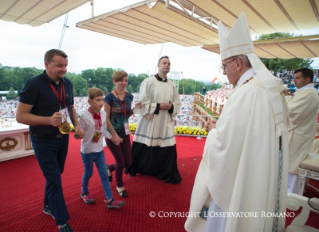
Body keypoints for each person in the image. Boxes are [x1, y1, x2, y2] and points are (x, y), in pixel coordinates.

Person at [185, 13, 290, 232]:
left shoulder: (246, 93)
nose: (224, 72)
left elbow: (225, 145)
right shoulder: (270, 89)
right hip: (262, 172)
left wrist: (214, 131)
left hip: (240, 182)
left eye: (224, 66)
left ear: (238, 63)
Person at [16, 49, 84, 232]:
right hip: (42, 140)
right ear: (46, 64)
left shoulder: (67, 84)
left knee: (56, 174)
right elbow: (20, 116)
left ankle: (47, 206)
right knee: (54, 179)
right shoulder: (34, 85)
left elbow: (70, 106)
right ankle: (62, 222)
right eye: (59, 65)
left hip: (63, 137)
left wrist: (76, 126)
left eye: (66, 66)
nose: (64, 69)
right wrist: (47, 120)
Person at [128, 56, 182, 184]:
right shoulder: (148, 82)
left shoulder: (172, 85)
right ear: (158, 65)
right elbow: (142, 102)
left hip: (165, 122)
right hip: (151, 121)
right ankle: (143, 169)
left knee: (168, 146)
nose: (167, 65)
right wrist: (158, 106)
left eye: (169, 63)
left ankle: (165, 171)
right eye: (164, 63)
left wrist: (171, 107)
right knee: (148, 144)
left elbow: (177, 103)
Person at [76, 87, 125, 208]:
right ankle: (84, 192)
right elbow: (78, 135)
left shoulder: (103, 114)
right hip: (87, 151)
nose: (101, 102)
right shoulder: (84, 116)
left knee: (104, 174)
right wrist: (78, 134)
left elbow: (103, 130)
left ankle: (110, 199)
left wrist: (113, 137)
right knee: (88, 173)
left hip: (99, 150)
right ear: (89, 102)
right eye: (98, 100)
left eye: (102, 100)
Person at [284, 68, 319, 194]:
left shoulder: (308, 93)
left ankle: (291, 194)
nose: (294, 80)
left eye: (298, 78)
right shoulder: (306, 92)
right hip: (299, 133)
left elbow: (291, 112)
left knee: (292, 166)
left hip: (299, 136)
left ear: (307, 79)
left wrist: (287, 97)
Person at [104, 71, 134, 197]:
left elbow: (127, 114)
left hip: (125, 133)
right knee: (121, 162)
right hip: (112, 134)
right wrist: (114, 135)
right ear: (114, 81)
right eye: (121, 80)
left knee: (128, 163)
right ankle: (119, 185)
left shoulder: (129, 96)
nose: (124, 83)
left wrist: (136, 109)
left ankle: (110, 168)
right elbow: (106, 119)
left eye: (126, 80)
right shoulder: (109, 97)